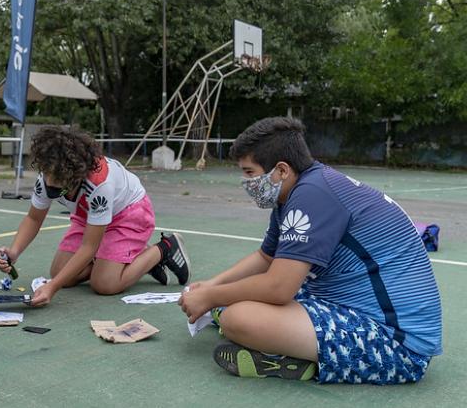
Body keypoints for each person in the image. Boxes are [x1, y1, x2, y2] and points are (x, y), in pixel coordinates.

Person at [179, 116, 442, 384]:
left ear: (281, 170)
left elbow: (279, 288)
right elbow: (265, 257)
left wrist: (211, 297)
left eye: (249, 173)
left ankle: (288, 358)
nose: (246, 182)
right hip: (351, 304)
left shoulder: (313, 195)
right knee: (230, 298)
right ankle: (291, 347)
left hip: (399, 345)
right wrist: (212, 286)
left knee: (237, 318)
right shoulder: (297, 191)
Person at [0, 126, 191, 306]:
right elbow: (33, 219)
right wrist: (15, 251)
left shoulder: (99, 185)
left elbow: (89, 247)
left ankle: (164, 249)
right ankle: (123, 259)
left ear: (76, 175)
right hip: (87, 216)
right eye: (47, 177)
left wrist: (52, 287)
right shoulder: (48, 174)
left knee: (104, 284)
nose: (51, 185)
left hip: (128, 214)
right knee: (61, 274)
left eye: (59, 183)